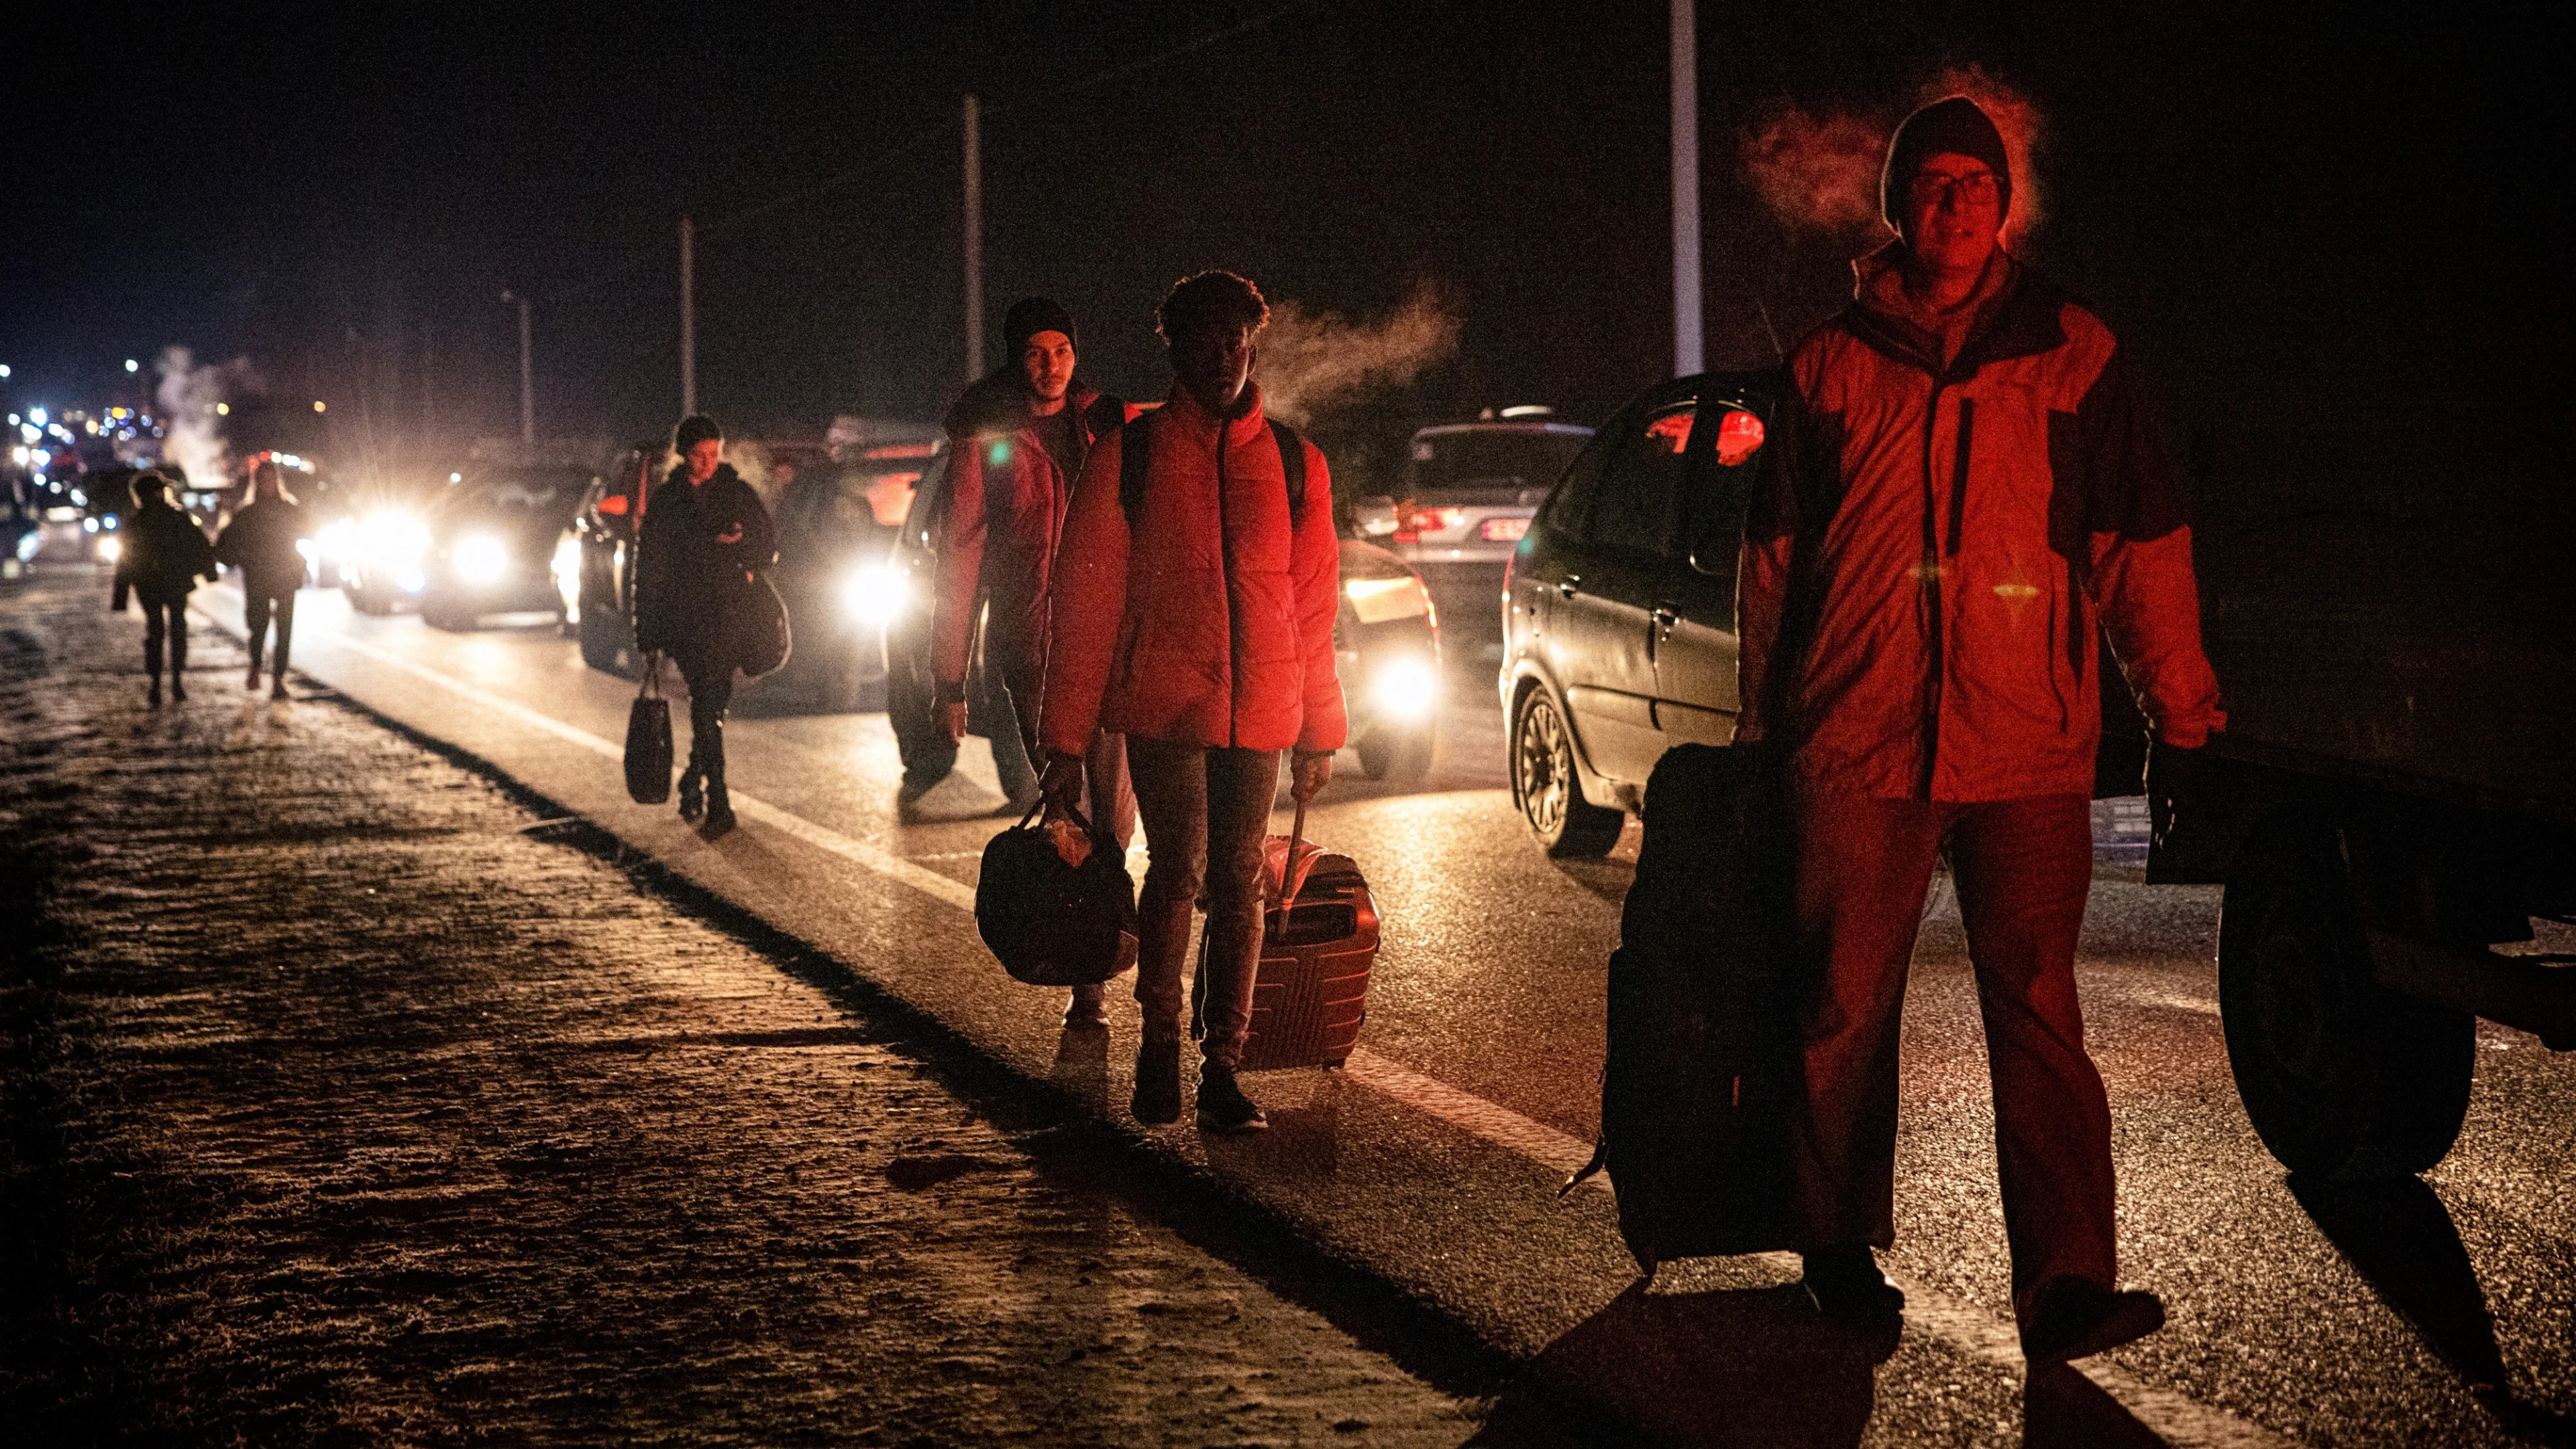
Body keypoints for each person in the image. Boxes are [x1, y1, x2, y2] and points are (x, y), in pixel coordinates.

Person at [1734, 96, 2225, 1363]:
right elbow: (1774, 568)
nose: (1953, 205)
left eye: (1974, 184)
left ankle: (2066, 1283)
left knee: (2040, 1009)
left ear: (2003, 205)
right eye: (1931, 184)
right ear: (1897, 206)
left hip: (2028, 743)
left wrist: (2183, 707)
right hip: (1856, 737)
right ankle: (1834, 1246)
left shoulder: (2075, 351)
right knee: (1841, 1007)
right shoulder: (1828, 365)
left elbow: (2139, 548)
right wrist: (1759, 735)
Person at [1038, 271, 1345, 1132]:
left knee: (1241, 881)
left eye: (1238, 341)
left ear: (1253, 346)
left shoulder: (1294, 462)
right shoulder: (1129, 455)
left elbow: (1312, 608)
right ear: (1174, 347)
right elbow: (1085, 602)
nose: (1225, 357)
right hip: (1166, 704)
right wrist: (1065, 739)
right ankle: (1159, 1046)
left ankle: (1224, 1065)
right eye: (1207, 340)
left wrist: (1321, 725)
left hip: (1264, 708)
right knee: (1176, 874)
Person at [928, 297, 1137, 1028]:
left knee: (1116, 809)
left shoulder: (1106, 423)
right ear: (1017, 359)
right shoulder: (988, 434)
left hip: (1112, 633)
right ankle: (1090, 975)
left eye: (1061, 349)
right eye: (1036, 352)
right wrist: (948, 676)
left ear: (1076, 355)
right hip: (1033, 647)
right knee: (1070, 796)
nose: (1050, 365)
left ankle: (1103, 937)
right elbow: (960, 556)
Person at [633, 415, 777, 836]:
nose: (707, 462)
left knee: (711, 705)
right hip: (687, 623)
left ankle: (694, 778)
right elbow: (650, 569)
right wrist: (648, 634)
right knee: (706, 700)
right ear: (684, 454)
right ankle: (718, 796)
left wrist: (742, 548)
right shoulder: (667, 502)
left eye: (713, 453)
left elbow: (767, 545)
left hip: (731, 618)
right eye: (699, 455)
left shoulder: (736, 493)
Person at [111, 470, 217, 704]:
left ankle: (156, 684)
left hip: (148, 587)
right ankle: (177, 681)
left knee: (155, 631)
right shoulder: (177, 518)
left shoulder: (136, 524)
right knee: (178, 630)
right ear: (159, 492)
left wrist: (120, 598)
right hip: (176, 583)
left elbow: (125, 562)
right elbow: (200, 545)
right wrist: (210, 574)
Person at [215, 460, 311, 699]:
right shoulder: (247, 513)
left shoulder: (288, 509)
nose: (267, 485)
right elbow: (226, 544)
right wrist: (240, 558)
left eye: (271, 480)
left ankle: (278, 678)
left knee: (284, 628)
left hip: (285, 575)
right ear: (257, 483)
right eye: (263, 480)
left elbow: (306, 529)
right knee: (258, 626)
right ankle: (256, 666)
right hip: (258, 575)